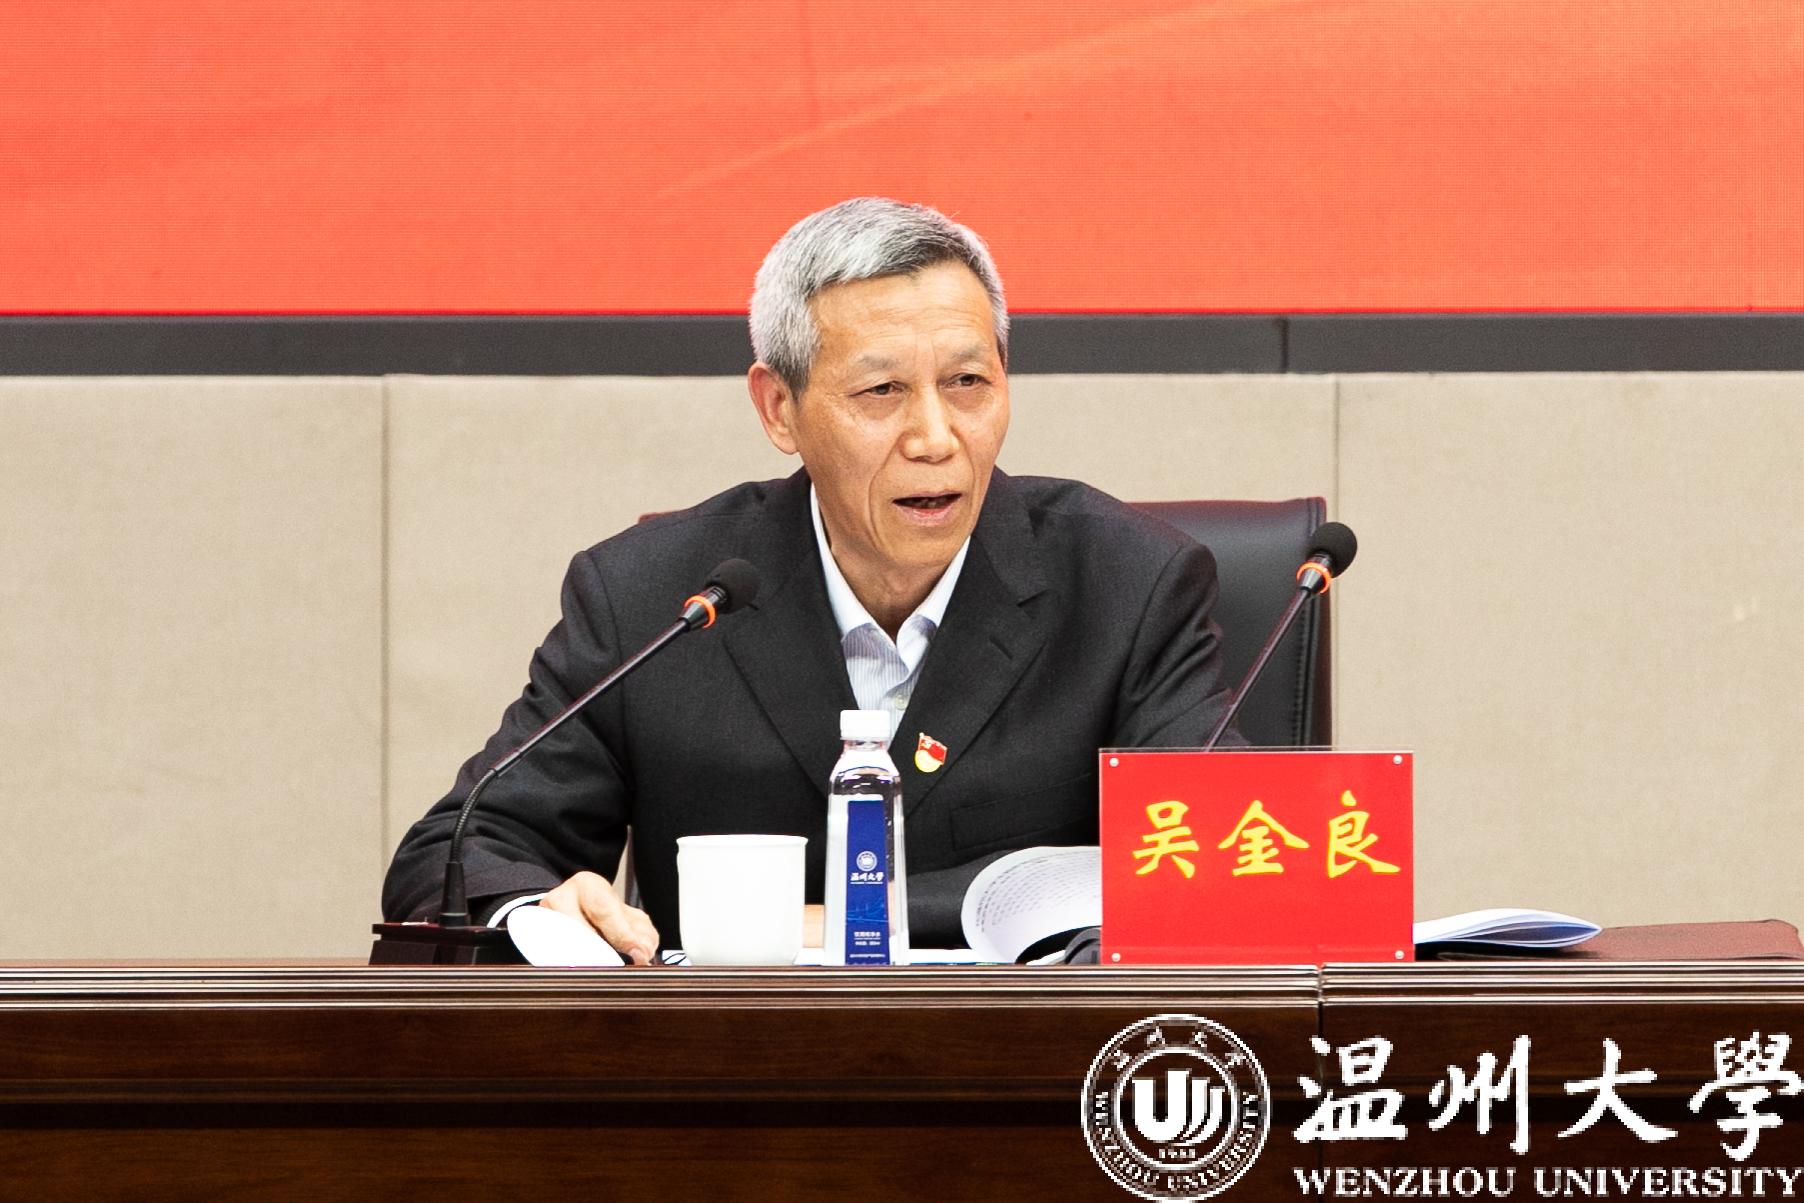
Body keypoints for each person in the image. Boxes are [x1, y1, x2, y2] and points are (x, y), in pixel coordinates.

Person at [382, 197, 1238, 961]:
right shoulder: (654, 597)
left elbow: (1223, 867)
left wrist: (831, 921)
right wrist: (541, 913)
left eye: (968, 383)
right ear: (779, 409)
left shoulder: (1129, 585)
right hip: (736, 1077)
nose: (935, 437)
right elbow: (454, 857)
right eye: (882, 390)